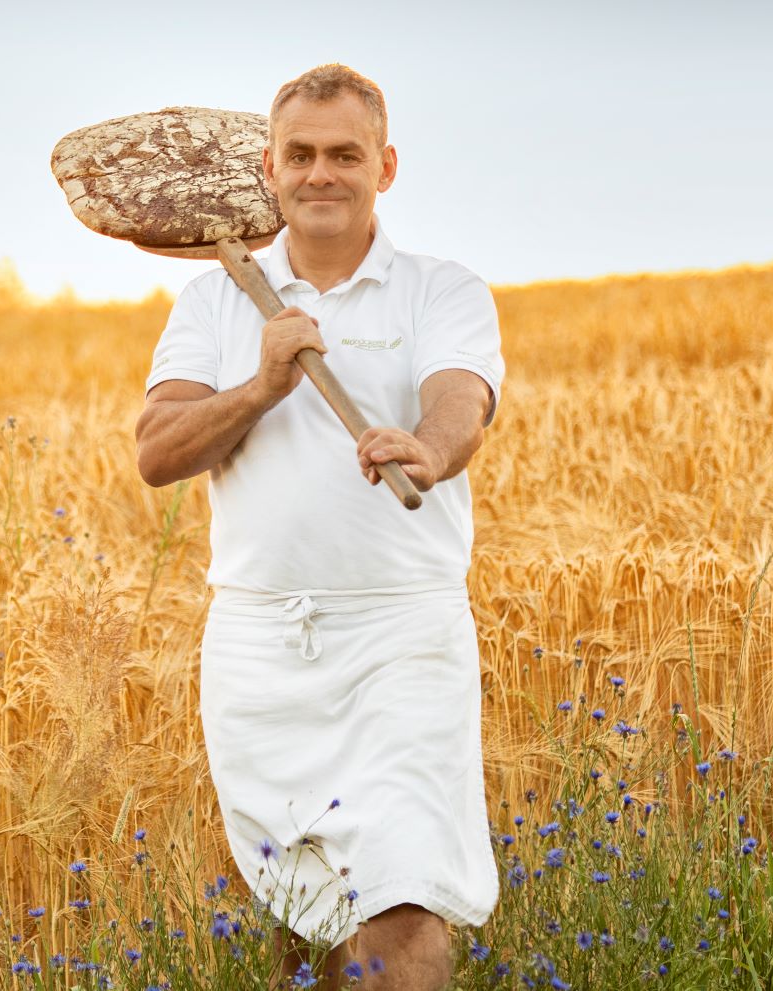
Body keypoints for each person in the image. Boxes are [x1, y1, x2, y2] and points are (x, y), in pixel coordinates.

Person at [134, 63, 505, 991]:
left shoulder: (441, 290)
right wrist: (261, 386)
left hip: (401, 637)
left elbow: (461, 400)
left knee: (404, 901)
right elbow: (156, 450)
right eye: (299, 154)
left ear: (386, 165)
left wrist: (427, 448)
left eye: (345, 154)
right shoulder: (214, 303)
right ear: (269, 168)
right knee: (294, 925)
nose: (321, 174)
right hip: (260, 646)